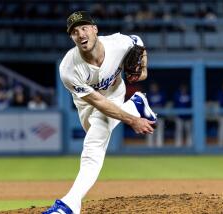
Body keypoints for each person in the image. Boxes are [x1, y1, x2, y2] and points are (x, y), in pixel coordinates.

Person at [43, 11, 157, 214]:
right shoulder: (68, 67)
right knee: (95, 132)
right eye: (74, 31)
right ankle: (135, 104)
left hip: (114, 94)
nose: (80, 34)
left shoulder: (119, 43)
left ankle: (69, 205)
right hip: (87, 105)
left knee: (93, 146)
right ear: (71, 37)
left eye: (84, 27)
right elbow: (97, 101)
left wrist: (143, 70)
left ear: (95, 29)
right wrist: (132, 118)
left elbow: (137, 41)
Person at [147, 82, 166, 147]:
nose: (154, 88)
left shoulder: (161, 94)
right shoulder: (149, 95)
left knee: (160, 132)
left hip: (160, 116)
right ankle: (150, 147)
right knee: (150, 132)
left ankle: (159, 147)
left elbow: (164, 104)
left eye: (155, 87)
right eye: (152, 87)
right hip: (151, 117)